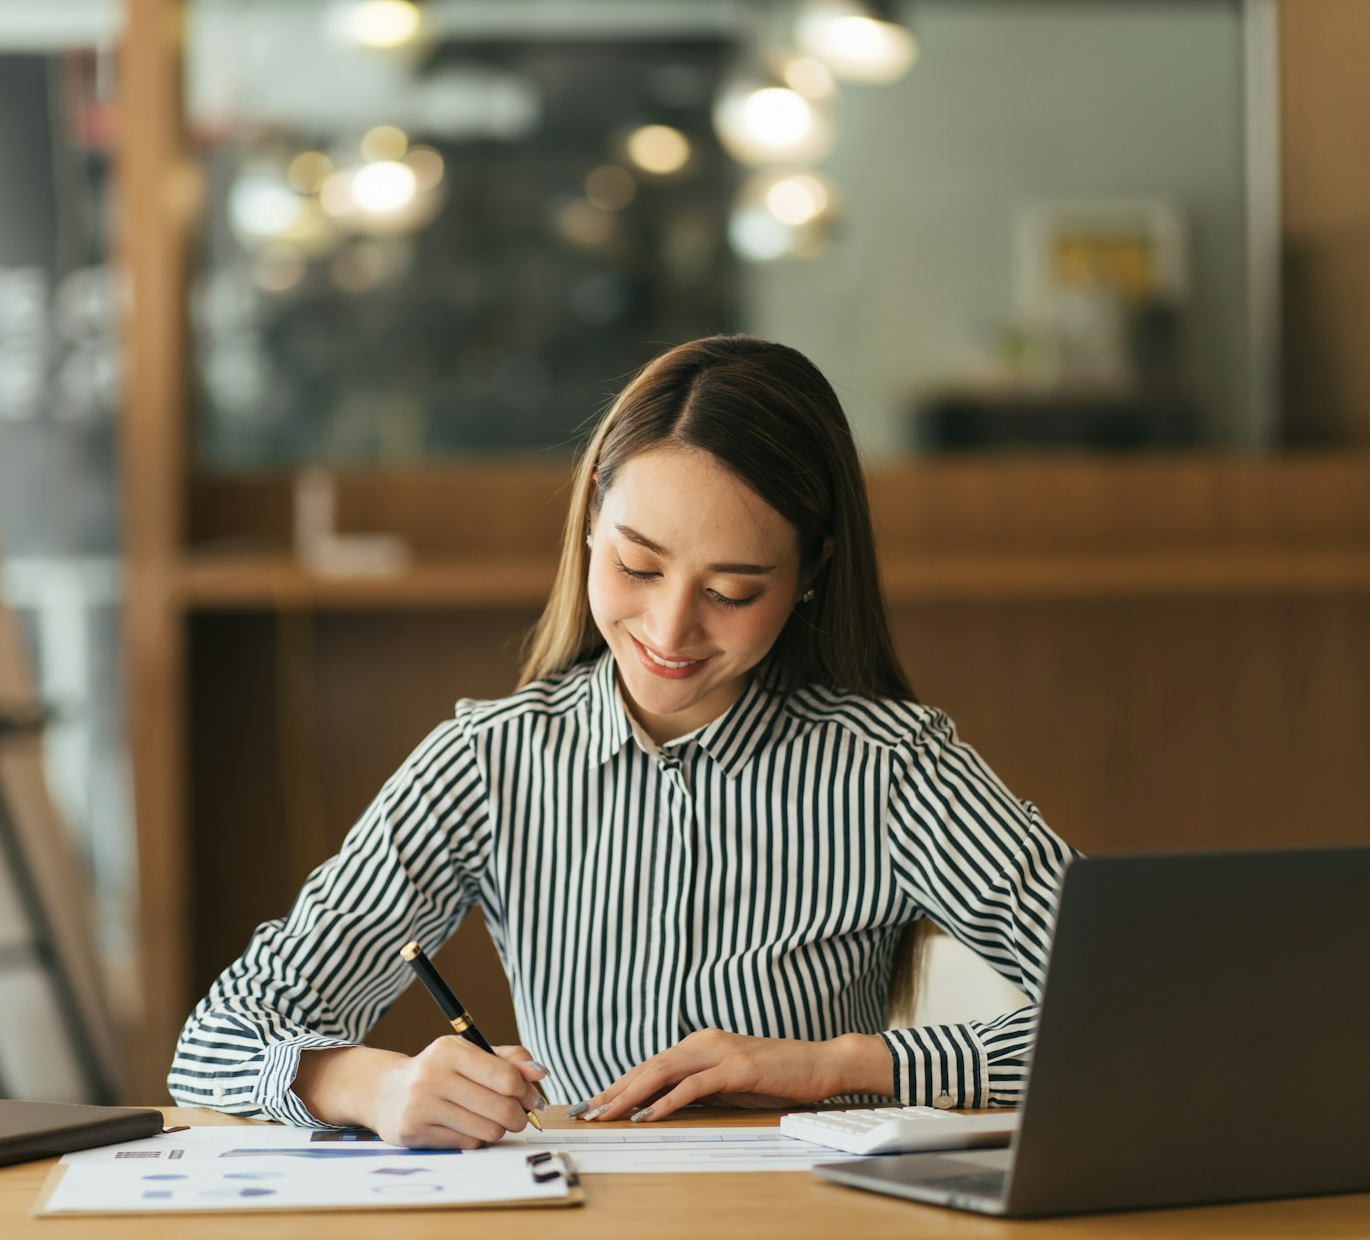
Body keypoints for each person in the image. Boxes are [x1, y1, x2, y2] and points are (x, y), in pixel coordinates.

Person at [169, 335, 1077, 1148]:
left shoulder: (893, 769)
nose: (670, 629)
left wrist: (836, 1064)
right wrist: (370, 1083)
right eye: (637, 566)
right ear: (591, 518)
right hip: (578, 1232)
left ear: (811, 576)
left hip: (809, 1237)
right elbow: (216, 1044)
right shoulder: (489, 762)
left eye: (732, 590)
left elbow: (1151, 1007)